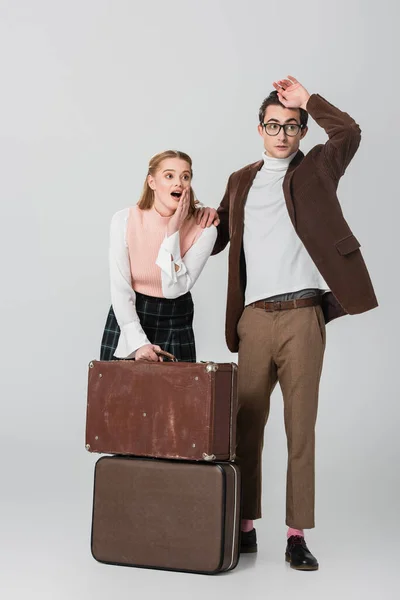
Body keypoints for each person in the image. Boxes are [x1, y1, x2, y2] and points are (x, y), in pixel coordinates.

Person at [209, 76, 378, 570]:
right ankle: (245, 526)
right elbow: (220, 234)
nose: (281, 133)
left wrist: (308, 100)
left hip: (304, 314)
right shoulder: (241, 180)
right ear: (258, 128)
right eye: (273, 125)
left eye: (291, 126)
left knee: (300, 430)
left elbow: (348, 132)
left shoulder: (318, 169)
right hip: (254, 320)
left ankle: (296, 535)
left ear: (302, 131)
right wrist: (186, 227)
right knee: (246, 427)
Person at [100, 150, 218, 363]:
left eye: (185, 176)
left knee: (177, 396)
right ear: (152, 182)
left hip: (175, 318)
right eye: (169, 176)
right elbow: (120, 287)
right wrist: (138, 343)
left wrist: (173, 231)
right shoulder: (123, 221)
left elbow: (174, 288)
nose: (179, 184)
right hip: (129, 315)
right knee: (119, 395)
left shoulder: (205, 228)